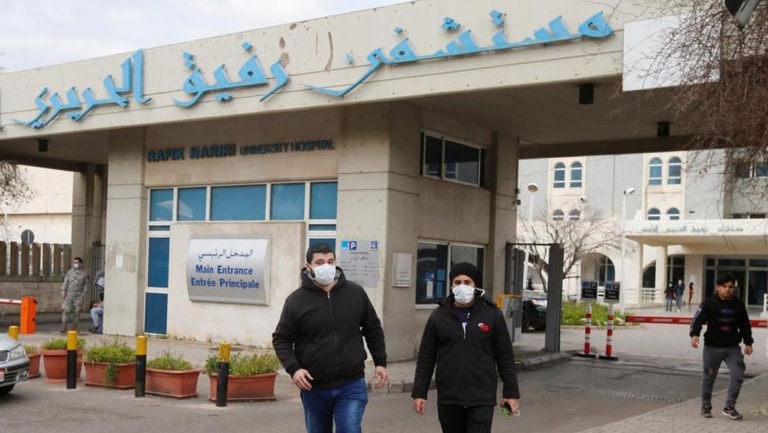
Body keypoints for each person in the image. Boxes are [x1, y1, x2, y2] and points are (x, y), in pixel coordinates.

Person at [272, 243, 388, 433]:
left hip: (351, 383)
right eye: (319, 262)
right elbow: (281, 339)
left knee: (349, 429)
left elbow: (372, 328)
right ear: (308, 266)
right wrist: (294, 369)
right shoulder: (296, 301)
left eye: (330, 261)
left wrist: (380, 362)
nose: (326, 266)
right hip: (313, 386)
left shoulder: (355, 293)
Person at [411, 262, 520, 433]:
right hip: (449, 397)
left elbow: (505, 356)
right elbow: (426, 357)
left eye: (467, 282)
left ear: (476, 285)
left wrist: (511, 393)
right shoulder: (438, 316)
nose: (462, 286)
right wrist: (420, 393)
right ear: (451, 286)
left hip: (481, 397)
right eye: (457, 282)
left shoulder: (492, 314)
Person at [689, 274, 754, 420]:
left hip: (732, 348)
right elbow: (697, 320)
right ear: (718, 287)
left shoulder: (739, 305)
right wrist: (694, 335)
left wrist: (748, 342)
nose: (728, 289)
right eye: (724, 286)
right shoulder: (708, 303)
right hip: (712, 348)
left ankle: (729, 407)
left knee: (738, 374)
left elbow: (745, 325)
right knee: (708, 377)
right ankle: (706, 405)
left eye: (731, 287)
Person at [60, 257, 91, 333]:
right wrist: (63, 291)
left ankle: (75, 327)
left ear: (81, 264)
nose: (75, 264)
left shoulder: (84, 274)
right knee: (65, 310)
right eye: (74, 262)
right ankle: (64, 327)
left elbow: (86, 285)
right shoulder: (70, 272)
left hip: (78, 295)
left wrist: (83, 295)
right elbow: (66, 282)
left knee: (77, 312)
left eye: (77, 262)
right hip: (69, 294)